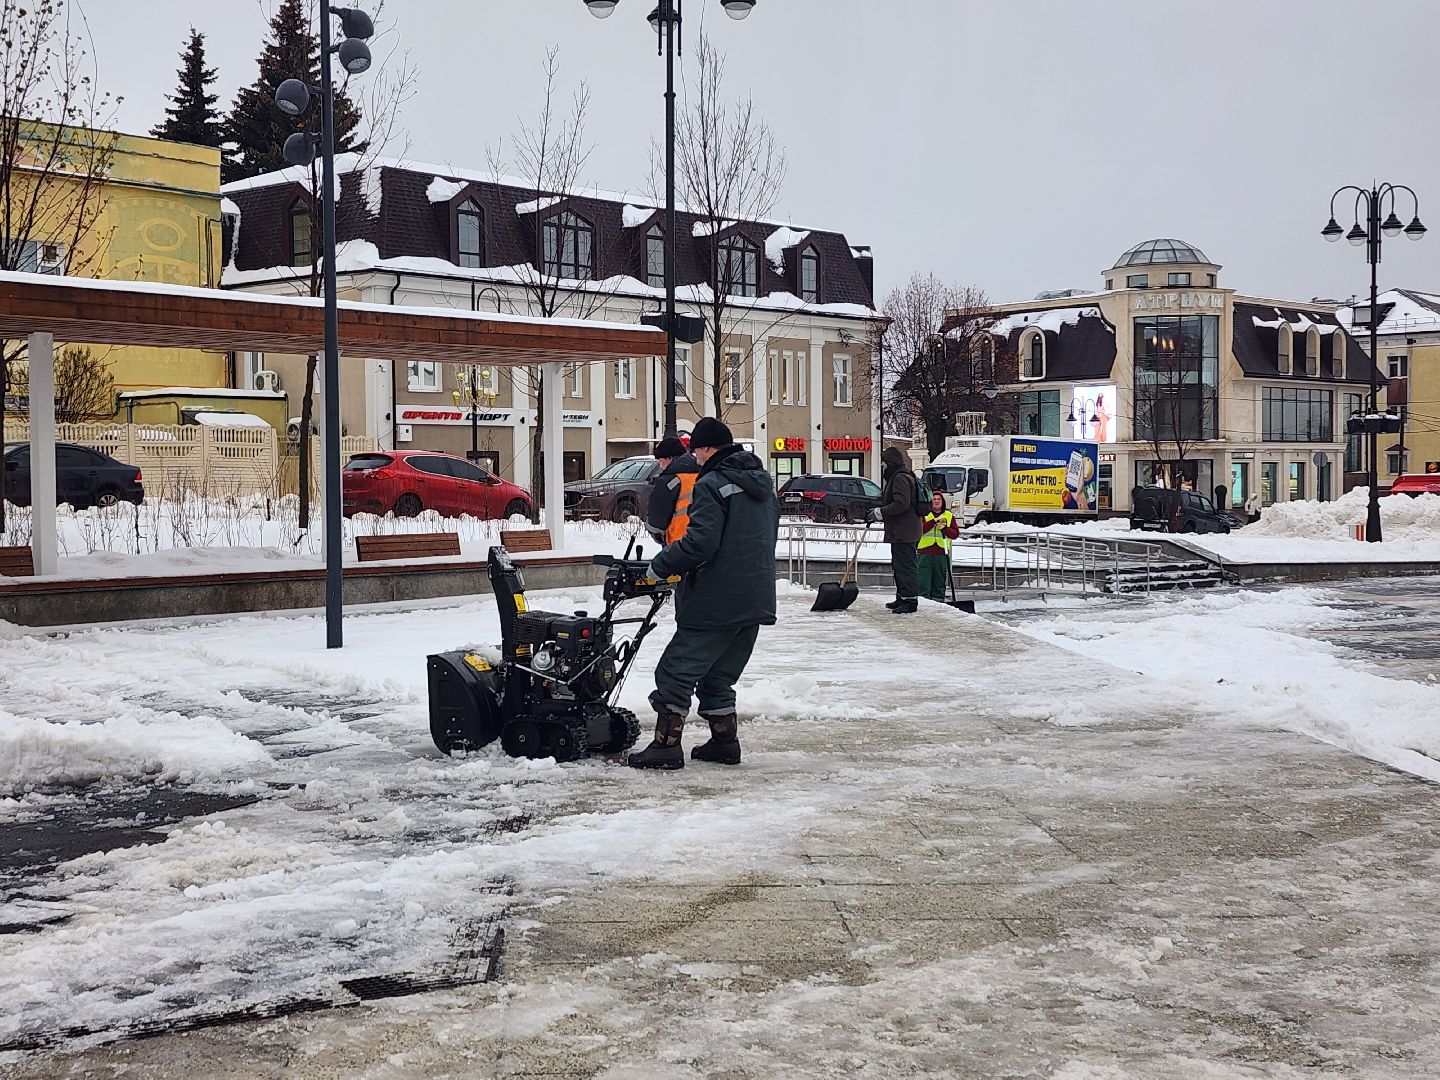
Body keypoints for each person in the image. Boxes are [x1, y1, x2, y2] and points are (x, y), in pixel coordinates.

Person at [629, 417, 780, 770]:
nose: (694, 457)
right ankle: (724, 743)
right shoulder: (763, 485)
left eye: (696, 450)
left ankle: (665, 747)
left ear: (708, 448)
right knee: (718, 676)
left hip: (716, 597)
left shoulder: (713, 482)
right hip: (755, 595)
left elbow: (701, 542)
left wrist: (661, 566)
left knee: (675, 671)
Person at [869, 446, 922, 614]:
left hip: (904, 531)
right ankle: (902, 596)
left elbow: (901, 503)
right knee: (899, 565)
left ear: (889, 463)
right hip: (902, 530)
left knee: (905, 566)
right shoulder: (901, 476)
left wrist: (880, 512)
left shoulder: (900, 478)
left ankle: (910, 600)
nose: (882, 467)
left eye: (883, 463)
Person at [645, 436, 699, 546]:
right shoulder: (703, 473)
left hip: (678, 542)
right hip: (704, 539)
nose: (660, 466)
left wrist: (657, 534)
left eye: (661, 461)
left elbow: (657, 516)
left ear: (670, 458)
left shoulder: (669, 481)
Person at [917, 491, 960, 602]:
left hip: (941, 552)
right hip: (925, 553)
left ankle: (938, 602)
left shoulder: (949, 516)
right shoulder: (924, 515)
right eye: (934, 499)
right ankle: (923, 602)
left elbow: (955, 534)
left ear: (943, 502)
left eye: (939, 499)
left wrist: (944, 528)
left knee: (939, 581)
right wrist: (932, 522)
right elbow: (919, 530)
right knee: (923, 580)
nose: (936, 501)